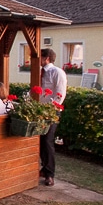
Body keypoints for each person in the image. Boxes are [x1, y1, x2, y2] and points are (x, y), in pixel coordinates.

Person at [39, 48, 68, 186]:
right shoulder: (40, 72)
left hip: (51, 111)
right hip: (39, 111)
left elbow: (60, 94)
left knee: (47, 141)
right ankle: (44, 168)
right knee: (39, 141)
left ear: (47, 58)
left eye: (40, 57)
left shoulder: (57, 72)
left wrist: (50, 109)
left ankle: (50, 174)